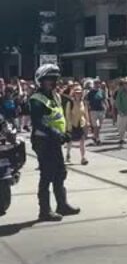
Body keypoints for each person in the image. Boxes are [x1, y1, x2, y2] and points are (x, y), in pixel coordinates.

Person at [30, 64, 80, 221]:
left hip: (54, 141)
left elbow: (59, 117)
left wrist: (66, 133)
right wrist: (55, 133)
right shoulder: (36, 99)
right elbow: (38, 123)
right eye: (49, 79)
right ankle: (44, 211)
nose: (53, 82)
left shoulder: (55, 96)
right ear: (41, 81)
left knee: (60, 173)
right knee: (47, 175)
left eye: (54, 79)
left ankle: (62, 205)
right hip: (43, 141)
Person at [65, 85, 89, 165]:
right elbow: (67, 114)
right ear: (74, 93)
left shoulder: (83, 102)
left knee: (82, 141)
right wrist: (69, 125)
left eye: (79, 93)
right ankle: (68, 154)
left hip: (81, 123)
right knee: (70, 141)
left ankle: (83, 157)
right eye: (76, 93)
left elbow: (85, 112)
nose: (78, 94)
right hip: (73, 124)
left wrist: (87, 122)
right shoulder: (70, 102)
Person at [86, 77, 107, 145]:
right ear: (94, 84)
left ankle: (95, 136)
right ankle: (97, 139)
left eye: (98, 83)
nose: (97, 84)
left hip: (101, 110)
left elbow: (104, 100)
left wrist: (107, 106)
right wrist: (87, 109)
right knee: (96, 125)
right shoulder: (90, 92)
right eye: (96, 83)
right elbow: (87, 101)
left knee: (99, 126)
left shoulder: (102, 91)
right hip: (93, 111)